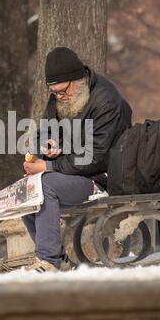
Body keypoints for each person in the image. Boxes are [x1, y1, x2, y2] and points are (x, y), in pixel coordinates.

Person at [22, 46, 132, 272]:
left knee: (43, 185)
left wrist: (50, 165)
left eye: (63, 91)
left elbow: (96, 157)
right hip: (76, 172)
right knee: (26, 190)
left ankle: (48, 260)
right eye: (55, 93)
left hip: (103, 177)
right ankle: (58, 258)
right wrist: (46, 148)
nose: (59, 97)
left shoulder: (105, 100)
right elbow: (46, 130)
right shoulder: (61, 96)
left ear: (78, 79)